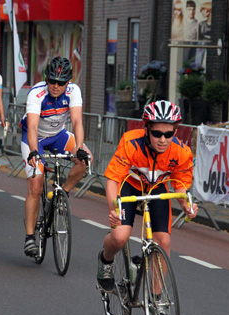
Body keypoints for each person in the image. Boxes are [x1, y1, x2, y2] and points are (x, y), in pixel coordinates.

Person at [96, 100, 198, 298]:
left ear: (175, 132)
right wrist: (113, 209)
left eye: (168, 134)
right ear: (147, 129)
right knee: (119, 237)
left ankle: (157, 301)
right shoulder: (131, 142)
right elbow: (113, 178)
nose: (162, 139)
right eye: (157, 133)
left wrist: (186, 205)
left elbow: (180, 184)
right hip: (129, 186)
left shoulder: (181, 152)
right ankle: (105, 261)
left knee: (163, 242)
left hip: (157, 189)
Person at [20, 57, 91, 256]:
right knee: (36, 183)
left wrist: (78, 147)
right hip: (35, 138)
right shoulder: (37, 93)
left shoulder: (73, 91)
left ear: (68, 82)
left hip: (58, 135)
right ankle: (30, 236)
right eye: (52, 81)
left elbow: (77, 122)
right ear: (47, 79)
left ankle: (62, 193)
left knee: (85, 160)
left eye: (61, 82)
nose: (56, 86)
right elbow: (32, 127)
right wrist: (34, 151)